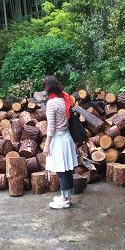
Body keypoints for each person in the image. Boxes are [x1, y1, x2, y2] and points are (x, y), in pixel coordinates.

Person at [43, 76, 78, 209]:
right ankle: (67, 197)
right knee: (67, 169)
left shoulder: (52, 103)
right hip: (67, 137)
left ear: (48, 88)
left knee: (61, 170)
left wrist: (46, 145)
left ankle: (64, 199)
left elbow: (51, 127)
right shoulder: (64, 99)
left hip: (58, 140)